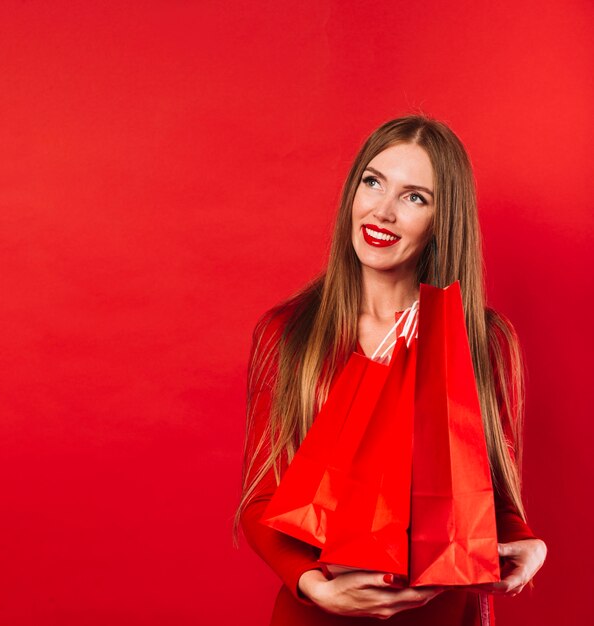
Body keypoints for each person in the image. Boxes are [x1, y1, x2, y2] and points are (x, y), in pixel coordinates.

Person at [233, 114, 547, 625]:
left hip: (443, 613)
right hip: (319, 612)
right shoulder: (290, 334)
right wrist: (314, 586)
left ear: (443, 221)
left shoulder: (484, 341)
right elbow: (261, 496)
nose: (382, 211)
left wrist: (526, 543)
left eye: (414, 197)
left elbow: (493, 494)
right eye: (373, 182)